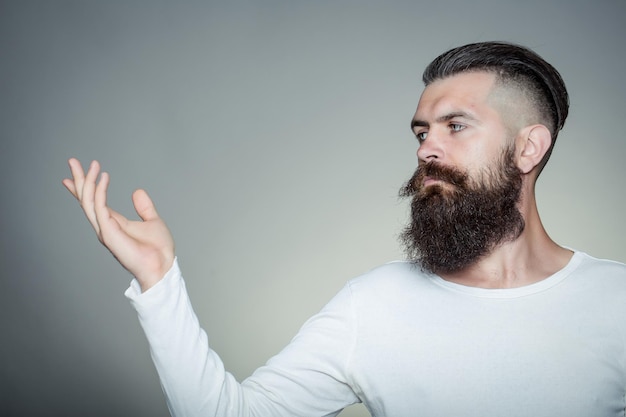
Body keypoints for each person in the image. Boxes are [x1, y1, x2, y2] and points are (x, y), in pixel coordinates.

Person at [63, 41, 626, 417]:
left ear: (528, 147)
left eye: (456, 126)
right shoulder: (375, 305)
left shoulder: (616, 302)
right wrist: (160, 282)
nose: (427, 148)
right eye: (421, 131)